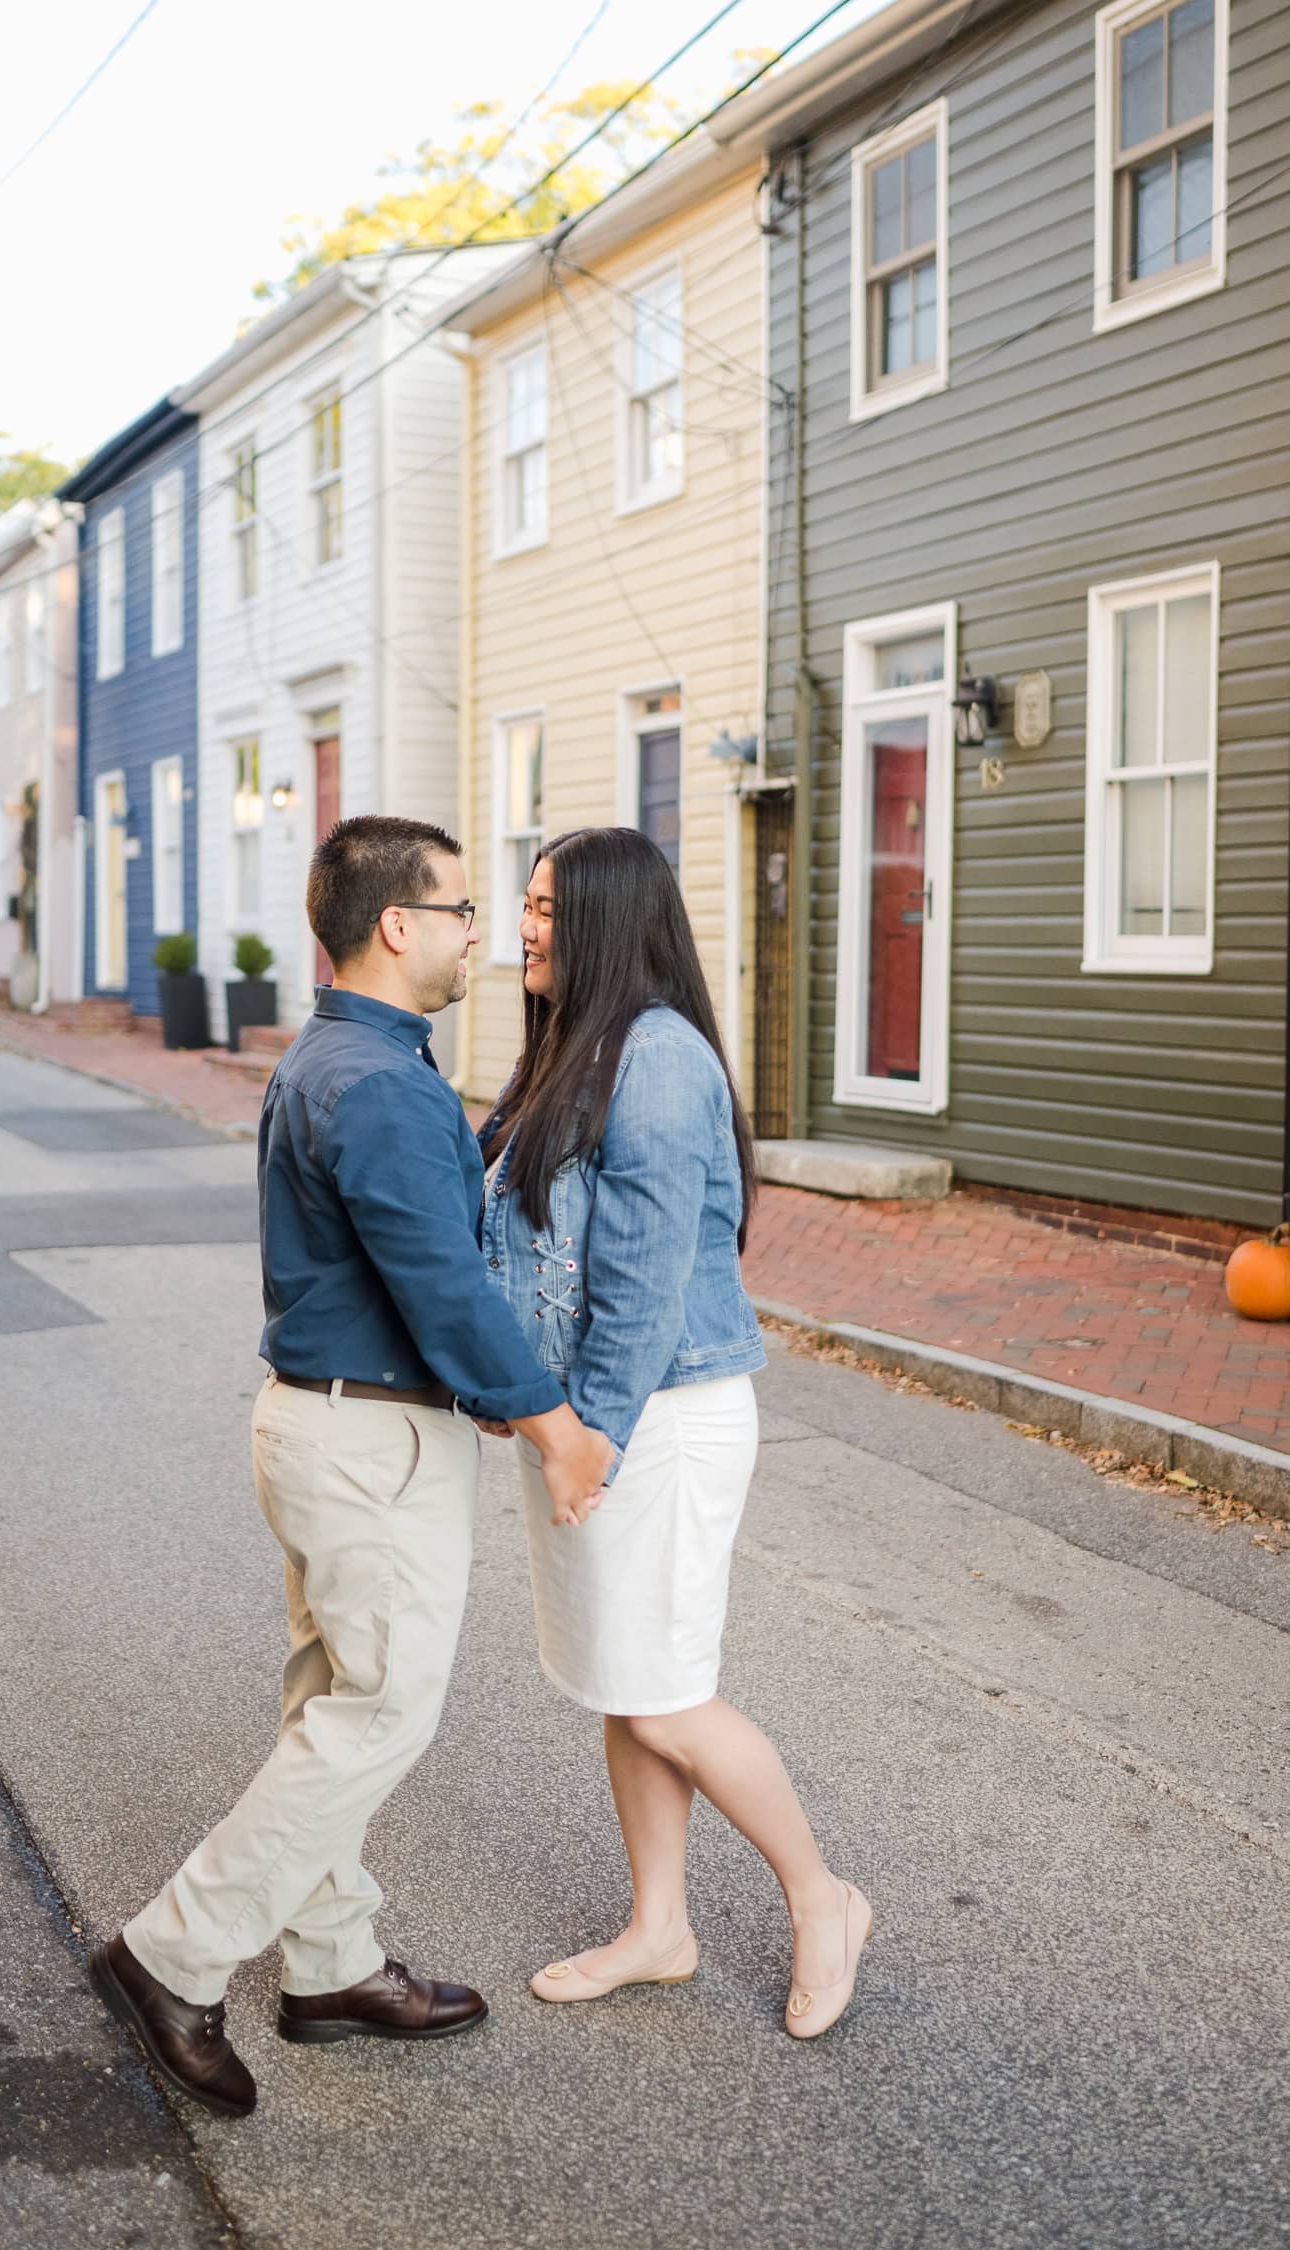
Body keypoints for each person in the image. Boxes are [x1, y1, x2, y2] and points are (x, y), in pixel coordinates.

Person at [91, 816, 612, 2117]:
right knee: (380, 1710)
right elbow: (438, 1283)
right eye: (459, 910)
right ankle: (172, 1954)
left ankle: (330, 1964)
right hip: (370, 1436)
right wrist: (553, 1422)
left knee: (334, 1693)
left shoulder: (339, 1055)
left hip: (334, 1422)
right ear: (397, 925)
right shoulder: (378, 1084)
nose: (478, 933)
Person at [479, 827, 872, 2040]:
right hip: (606, 1415)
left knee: (666, 1694)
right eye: (525, 900)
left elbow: (643, 1284)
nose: (524, 925)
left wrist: (582, 1437)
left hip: (660, 1414)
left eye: (545, 907)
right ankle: (661, 1928)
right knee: (624, 1678)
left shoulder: (653, 1059)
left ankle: (824, 1897)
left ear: (602, 921)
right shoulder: (573, 1049)